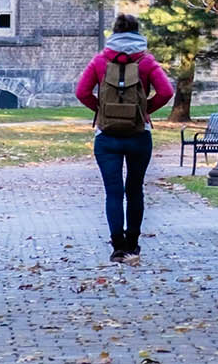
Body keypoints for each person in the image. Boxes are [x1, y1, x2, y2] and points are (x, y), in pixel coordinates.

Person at [75, 14, 174, 262]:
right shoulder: (146, 61)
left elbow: (81, 92)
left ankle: (117, 246)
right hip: (139, 135)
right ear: (137, 33)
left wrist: (102, 110)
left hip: (107, 137)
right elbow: (166, 91)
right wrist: (144, 111)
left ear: (114, 33)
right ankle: (133, 242)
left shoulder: (99, 60)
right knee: (135, 189)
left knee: (113, 192)